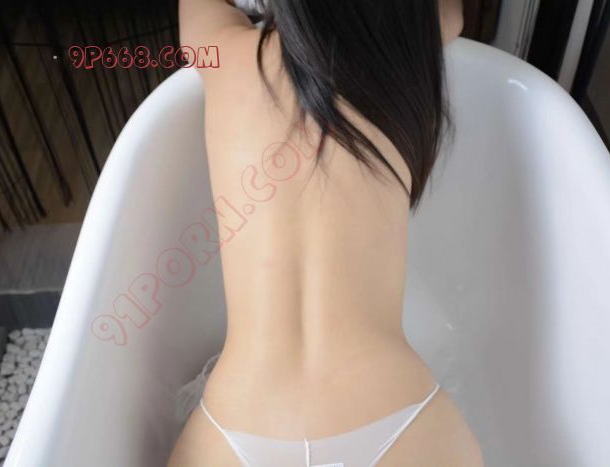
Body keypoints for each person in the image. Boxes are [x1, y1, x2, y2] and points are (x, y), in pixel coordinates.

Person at [168, 0, 483, 465]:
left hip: (235, 425)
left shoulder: (224, 53)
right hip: (406, 420)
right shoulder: (403, 58)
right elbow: (449, 14)